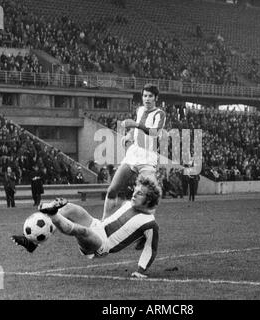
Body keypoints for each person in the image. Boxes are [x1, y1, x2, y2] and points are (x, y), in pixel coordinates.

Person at [12, 174, 161, 278]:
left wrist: (141, 270)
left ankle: (52, 214)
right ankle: (32, 242)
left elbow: (150, 248)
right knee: (69, 208)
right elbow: (112, 219)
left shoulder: (150, 223)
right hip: (98, 226)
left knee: (81, 231)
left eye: (140, 193)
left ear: (149, 200)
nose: (134, 194)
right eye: (135, 190)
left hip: (102, 246)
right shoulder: (128, 204)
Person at [102, 84, 166, 220]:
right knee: (112, 190)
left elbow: (154, 132)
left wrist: (135, 125)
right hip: (133, 153)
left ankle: (148, 228)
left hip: (148, 157)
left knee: (149, 196)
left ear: (156, 98)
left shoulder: (160, 114)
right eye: (145, 95)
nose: (147, 99)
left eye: (150, 96)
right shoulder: (140, 110)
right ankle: (104, 221)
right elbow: (137, 127)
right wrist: (130, 135)